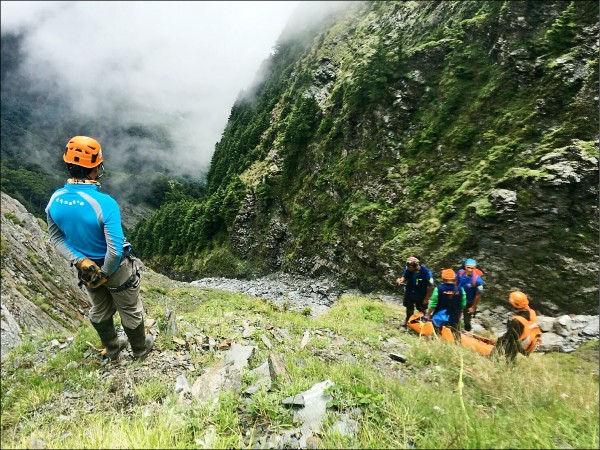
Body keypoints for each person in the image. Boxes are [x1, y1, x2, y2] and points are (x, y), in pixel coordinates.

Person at [45, 136, 154, 361]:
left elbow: (56, 239)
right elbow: (114, 250)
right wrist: (105, 272)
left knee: (99, 309)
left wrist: (80, 260)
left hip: (87, 269)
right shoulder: (105, 203)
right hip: (115, 268)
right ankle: (140, 351)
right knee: (130, 309)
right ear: (95, 168)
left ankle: (113, 349)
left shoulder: (55, 199)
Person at [492, 290, 542, 362]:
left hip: (520, 344)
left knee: (509, 344)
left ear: (516, 305)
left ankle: (508, 362)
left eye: (511, 303)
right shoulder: (532, 312)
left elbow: (509, 339)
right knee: (513, 342)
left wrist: (499, 343)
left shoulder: (517, 321)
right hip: (526, 339)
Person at [426, 269, 466, 338]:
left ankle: (436, 339)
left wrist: (428, 314)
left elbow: (432, 304)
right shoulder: (460, 289)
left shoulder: (438, 289)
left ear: (443, 278)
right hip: (454, 316)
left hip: (439, 317)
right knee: (455, 334)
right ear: (454, 277)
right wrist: (461, 312)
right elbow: (463, 303)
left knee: (436, 333)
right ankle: (457, 342)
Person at [396, 256, 434, 326]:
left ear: (416, 266)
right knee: (409, 308)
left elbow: (431, 286)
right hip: (410, 292)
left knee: (421, 308)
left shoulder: (426, 273)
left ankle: (424, 323)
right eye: (408, 267)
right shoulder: (408, 269)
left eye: (411, 268)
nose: (409, 269)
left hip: (421, 294)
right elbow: (405, 276)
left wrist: (427, 298)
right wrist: (401, 280)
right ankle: (408, 321)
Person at [456, 258, 484, 331]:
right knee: (456, 316)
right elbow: (456, 282)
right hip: (458, 299)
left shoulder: (478, 280)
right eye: (468, 267)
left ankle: (468, 331)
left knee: (467, 320)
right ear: (465, 267)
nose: (470, 270)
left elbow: (478, 294)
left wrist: (473, 307)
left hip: (469, 302)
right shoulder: (460, 273)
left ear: (474, 269)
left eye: (472, 268)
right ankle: (455, 329)